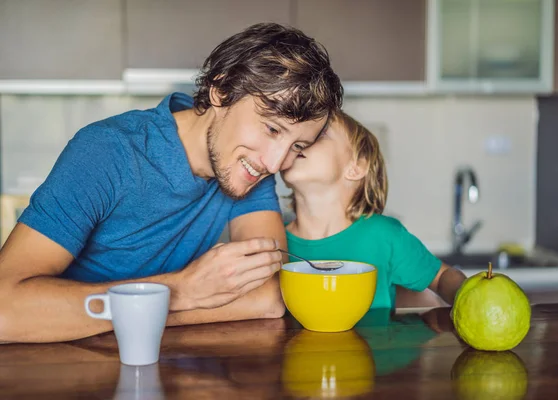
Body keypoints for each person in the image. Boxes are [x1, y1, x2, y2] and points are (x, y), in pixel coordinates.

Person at [0, 23, 343, 343]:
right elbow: (6, 311)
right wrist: (182, 291)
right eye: (272, 129)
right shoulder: (108, 151)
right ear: (221, 92)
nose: (274, 163)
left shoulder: (251, 169)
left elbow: (266, 298)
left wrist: (139, 315)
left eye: (297, 147)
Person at [281, 110, 466, 310]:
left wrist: (469, 295)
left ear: (356, 167)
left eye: (321, 132)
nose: (301, 139)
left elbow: (441, 277)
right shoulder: (271, 239)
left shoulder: (384, 236)